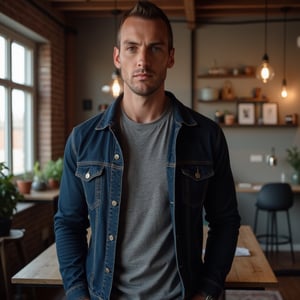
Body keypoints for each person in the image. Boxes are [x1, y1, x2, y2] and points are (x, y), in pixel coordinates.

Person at [54, 1, 241, 300]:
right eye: (131, 48)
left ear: (170, 57)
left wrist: (207, 291)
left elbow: (226, 221)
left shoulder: (206, 136)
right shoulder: (83, 140)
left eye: (154, 48)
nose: (142, 59)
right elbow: (68, 224)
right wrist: (77, 294)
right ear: (117, 56)